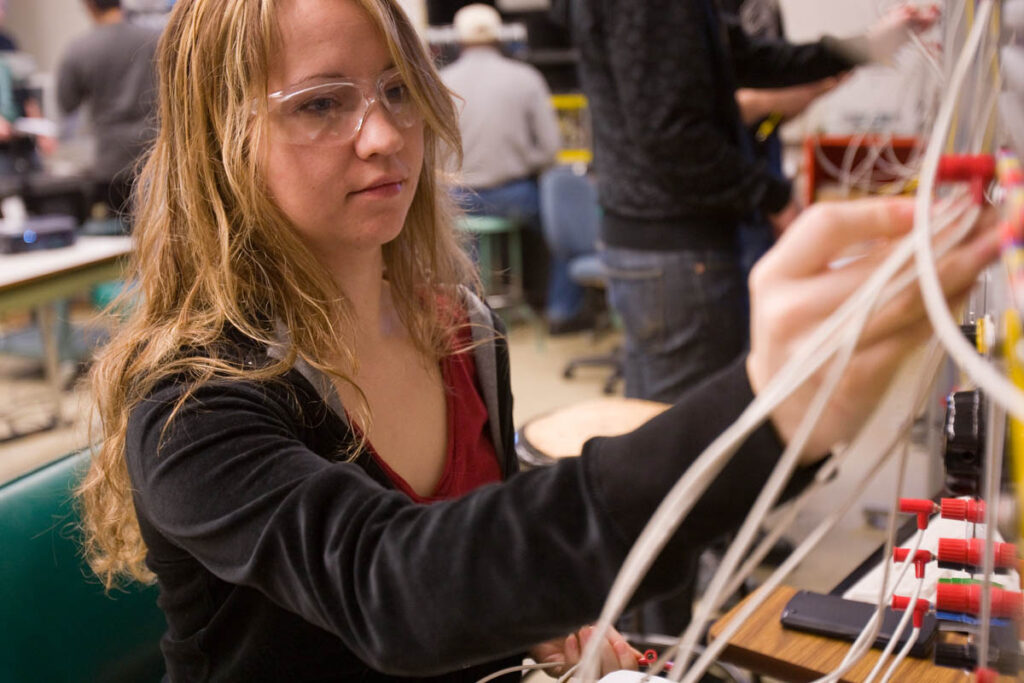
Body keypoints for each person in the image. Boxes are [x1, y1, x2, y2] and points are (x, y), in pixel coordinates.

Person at [76, 0, 997, 681]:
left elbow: (477, 546)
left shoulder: (457, 327)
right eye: (322, 104)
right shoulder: (195, 403)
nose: (386, 134)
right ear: (221, 141)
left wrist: (536, 619)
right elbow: (395, 586)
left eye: (400, 90)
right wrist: (771, 406)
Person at [570, 1, 939, 405]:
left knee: (659, 422)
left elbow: (737, 59)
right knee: (686, 438)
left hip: (662, 246)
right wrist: (774, 197)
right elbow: (671, 135)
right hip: (676, 250)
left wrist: (864, 47)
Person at [441, 4, 584, 332]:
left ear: (457, 41)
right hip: (514, 195)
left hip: (458, 197)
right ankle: (562, 311)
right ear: (500, 38)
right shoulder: (526, 78)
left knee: (463, 244)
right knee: (565, 232)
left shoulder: (440, 81)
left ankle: (473, 315)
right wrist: (520, 161)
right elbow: (551, 150)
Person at [56, 0, 160, 221]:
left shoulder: (79, 50)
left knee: (116, 238)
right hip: (154, 154)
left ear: (89, 6)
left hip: (110, 163)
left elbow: (66, 103)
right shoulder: (153, 40)